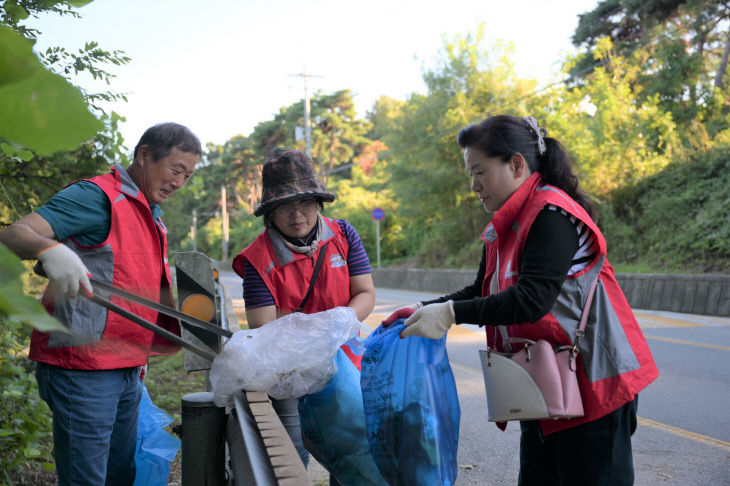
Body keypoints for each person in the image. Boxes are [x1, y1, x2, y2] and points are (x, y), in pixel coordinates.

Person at [383, 115, 659, 486]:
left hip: (596, 383)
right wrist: (426, 309)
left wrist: (450, 314)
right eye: (470, 174)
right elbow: (483, 291)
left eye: (480, 172)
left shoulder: (552, 213)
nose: (473, 185)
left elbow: (531, 300)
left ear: (516, 164)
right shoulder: (507, 222)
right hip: (547, 383)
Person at [0, 122, 201, 486]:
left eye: (187, 175)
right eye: (175, 170)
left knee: (119, 475)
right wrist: (50, 248)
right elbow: (13, 234)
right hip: (83, 367)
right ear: (144, 155)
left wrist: (140, 358)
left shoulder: (150, 213)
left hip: (125, 365)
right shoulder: (97, 197)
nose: (179, 182)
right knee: (86, 479)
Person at [231, 148, 376, 473]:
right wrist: (319, 331)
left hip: (342, 360)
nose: (298, 215)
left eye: (305, 204)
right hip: (287, 371)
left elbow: (365, 293)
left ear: (318, 204)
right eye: (286, 206)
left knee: (353, 443)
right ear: (271, 211)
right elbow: (264, 326)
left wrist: (344, 318)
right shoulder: (257, 258)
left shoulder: (343, 236)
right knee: (293, 455)